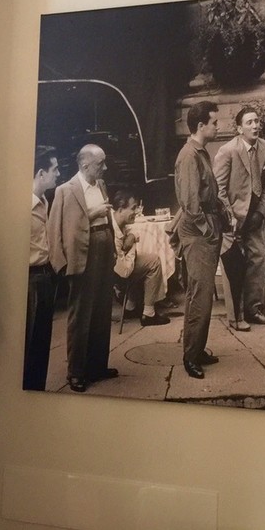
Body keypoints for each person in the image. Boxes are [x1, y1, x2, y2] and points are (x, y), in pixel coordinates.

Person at [47, 144, 117, 393]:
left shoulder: (101, 185)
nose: (105, 168)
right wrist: (61, 264)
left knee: (101, 310)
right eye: (101, 164)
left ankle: (98, 366)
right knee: (81, 316)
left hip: (104, 249)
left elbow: (108, 220)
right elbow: (54, 229)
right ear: (85, 165)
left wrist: (114, 248)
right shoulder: (65, 191)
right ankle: (76, 372)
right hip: (81, 256)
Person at [173, 101, 228, 379]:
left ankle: (198, 348)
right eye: (214, 122)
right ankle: (191, 356)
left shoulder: (199, 152)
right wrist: (208, 231)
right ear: (200, 126)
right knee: (199, 295)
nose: (218, 126)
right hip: (198, 232)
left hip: (206, 228)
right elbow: (191, 204)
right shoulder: (188, 156)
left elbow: (207, 194)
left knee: (204, 294)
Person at [213, 106, 265, 329]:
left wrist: (261, 211)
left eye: (257, 121)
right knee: (234, 265)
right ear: (239, 128)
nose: (255, 125)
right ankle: (235, 316)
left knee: (257, 259)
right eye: (249, 122)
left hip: (254, 213)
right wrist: (229, 216)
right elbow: (218, 188)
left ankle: (254, 309)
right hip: (232, 216)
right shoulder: (228, 150)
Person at [24, 145, 60, 390]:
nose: (58, 173)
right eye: (54, 169)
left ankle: (38, 390)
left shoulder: (44, 200)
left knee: (42, 342)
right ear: (40, 173)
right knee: (30, 344)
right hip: (31, 281)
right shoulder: (24, 206)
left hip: (45, 277)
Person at [111, 188, 170, 326]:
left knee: (146, 259)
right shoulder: (112, 232)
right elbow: (124, 272)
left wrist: (132, 236)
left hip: (119, 266)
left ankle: (131, 306)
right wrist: (131, 247)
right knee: (153, 261)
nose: (136, 212)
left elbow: (132, 231)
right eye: (133, 208)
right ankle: (149, 314)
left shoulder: (118, 221)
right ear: (120, 208)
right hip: (115, 275)